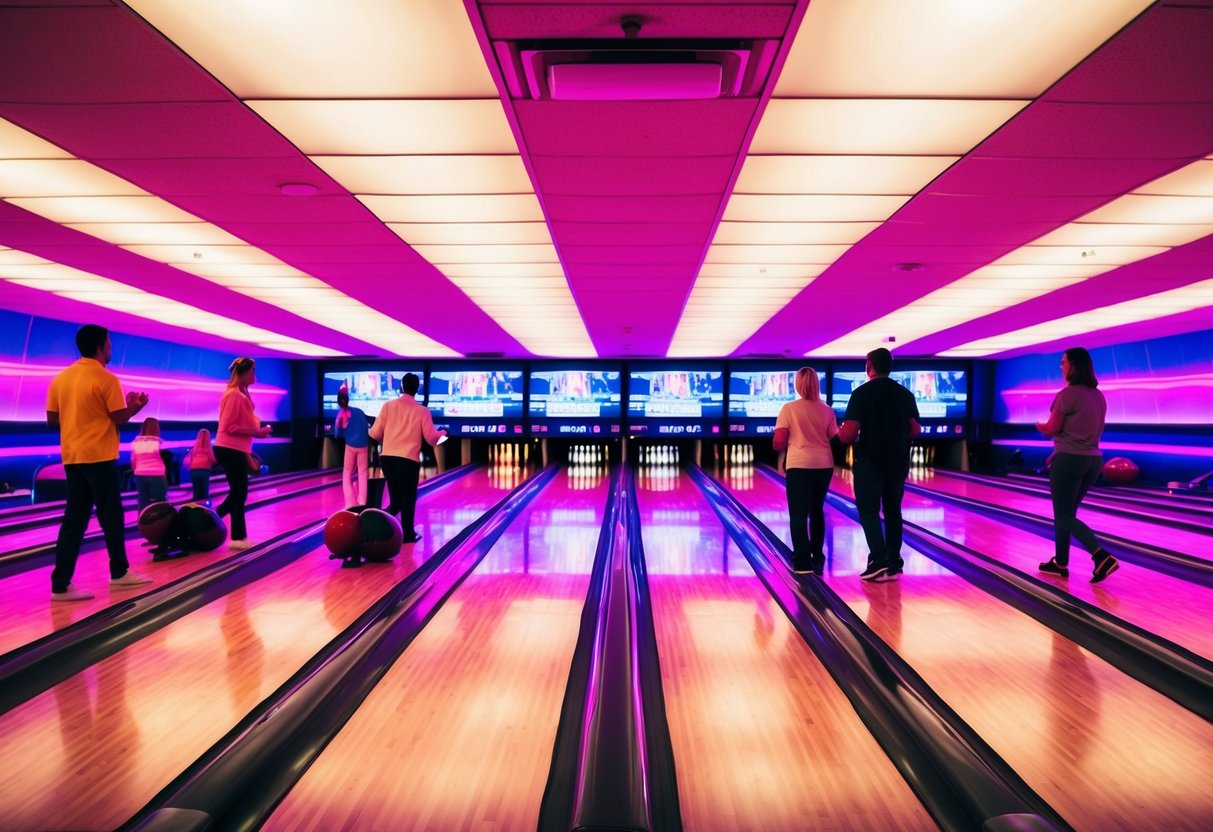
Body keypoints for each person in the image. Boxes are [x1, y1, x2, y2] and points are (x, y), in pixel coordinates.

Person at [46, 324, 153, 601]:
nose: (111, 347)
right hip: (100, 456)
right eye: (109, 342)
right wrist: (137, 406)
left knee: (74, 521)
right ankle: (119, 573)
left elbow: (52, 420)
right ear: (100, 345)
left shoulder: (61, 379)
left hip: (72, 456)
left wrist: (79, 419)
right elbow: (119, 417)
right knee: (111, 517)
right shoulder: (106, 379)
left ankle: (60, 585)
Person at [1036, 347, 1119, 582]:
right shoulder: (1098, 396)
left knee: (1063, 515)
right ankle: (1060, 563)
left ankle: (1101, 556)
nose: (1061, 366)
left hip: (1069, 461)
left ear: (1074, 366)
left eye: (1063, 362)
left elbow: (1052, 428)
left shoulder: (1067, 394)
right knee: (1066, 514)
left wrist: (1040, 426)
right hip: (1093, 460)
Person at [837, 348, 920, 582]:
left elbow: (849, 433)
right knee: (894, 512)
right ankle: (894, 562)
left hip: (870, 462)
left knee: (869, 512)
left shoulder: (861, 394)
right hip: (897, 461)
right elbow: (915, 430)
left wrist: (840, 434)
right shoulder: (905, 394)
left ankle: (879, 562)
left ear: (869, 366)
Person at [772, 367, 838, 575]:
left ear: (797, 384)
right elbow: (833, 436)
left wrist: (778, 445)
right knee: (816, 511)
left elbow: (779, 441)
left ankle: (802, 560)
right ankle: (817, 557)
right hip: (823, 465)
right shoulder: (827, 409)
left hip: (799, 465)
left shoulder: (789, 408)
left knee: (798, 514)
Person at [368, 372, 445, 543]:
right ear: (417, 389)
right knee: (408, 499)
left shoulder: (388, 406)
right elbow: (432, 439)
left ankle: (374, 524)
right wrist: (444, 434)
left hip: (387, 459)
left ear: (401, 386)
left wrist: (389, 435)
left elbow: (374, 433)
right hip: (408, 461)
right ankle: (408, 534)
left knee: (396, 501)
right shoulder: (422, 411)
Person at [214, 356, 272, 549]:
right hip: (228, 448)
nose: (254, 375)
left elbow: (239, 426)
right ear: (244, 373)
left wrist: (258, 434)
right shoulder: (234, 395)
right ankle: (237, 537)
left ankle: (213, 519)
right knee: (239, 492)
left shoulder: (239, 393)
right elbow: (229, 426)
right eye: (253, 371)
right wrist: (258, 432)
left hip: (233, 449)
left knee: (238, 492)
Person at [333, 385, 370, 508]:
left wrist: (340, 427)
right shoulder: (359, 412)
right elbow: (366, 428)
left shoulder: (340, 415)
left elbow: (337, 435)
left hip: (351, 446)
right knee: (363, 473)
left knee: (347, 474)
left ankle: (350, 504)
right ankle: (363, 502)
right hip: (363, 446)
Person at [131, 417, 167, 512]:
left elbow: (133, 463)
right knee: (159, 504)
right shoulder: (159, 443)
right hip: (157, 475)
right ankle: (159, 525)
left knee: (142, 503)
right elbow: (166, 461)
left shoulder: (136, 443)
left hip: (140, 475)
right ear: (156, 428)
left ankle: (143, 525)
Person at [187, 428, 218, 504]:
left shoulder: (194, 449)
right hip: (205, 470)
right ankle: (204, 509)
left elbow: (189, 460)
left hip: (194, 470)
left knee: (196, 492)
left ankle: (194, 510)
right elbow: (213, 460)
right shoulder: (209, 449)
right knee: (204, 492)